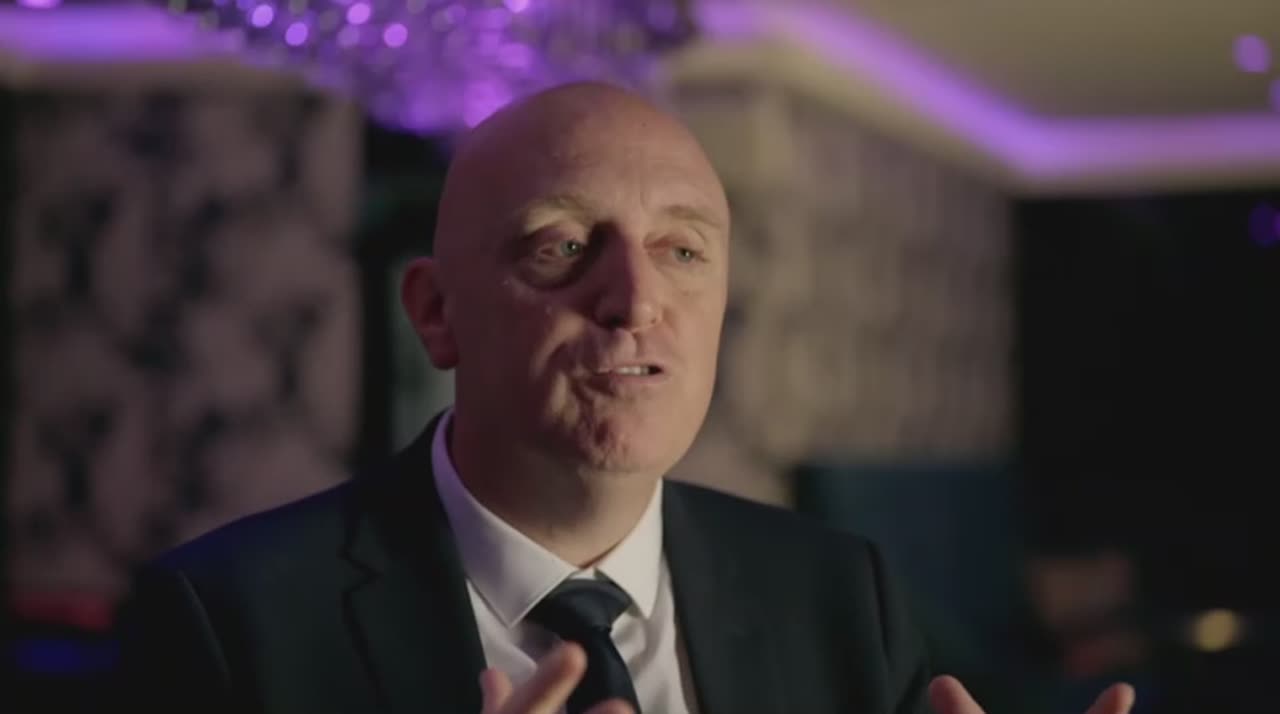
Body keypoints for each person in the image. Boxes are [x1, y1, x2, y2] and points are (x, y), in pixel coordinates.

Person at [114, 81, 1135, 714]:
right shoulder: (226, 621)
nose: (636, 299)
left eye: (681, 251)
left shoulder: (837, 594)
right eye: (562, 246)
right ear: (435, 312)